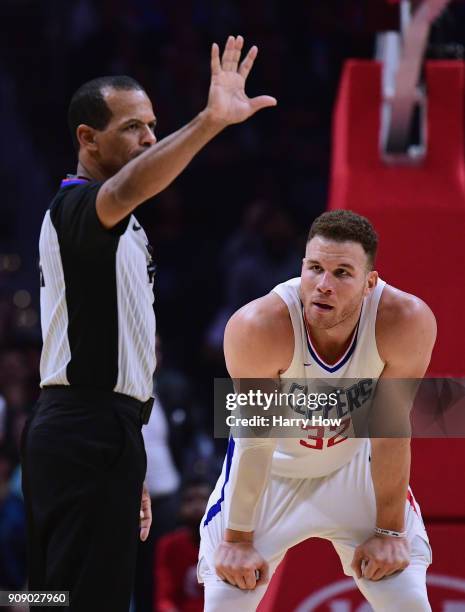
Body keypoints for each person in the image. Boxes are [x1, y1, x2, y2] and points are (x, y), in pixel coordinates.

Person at [20, 35, 277, 612]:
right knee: (77, 598)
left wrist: (129, 447)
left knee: (60, 593)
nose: (149, 138)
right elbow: (132, 184)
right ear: (87, 139)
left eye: (153, 125)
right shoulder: (77, 206)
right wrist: (210, 122)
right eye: (133, 128)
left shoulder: (124, 229)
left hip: (104, 430)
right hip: (81, 426)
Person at [198, 210, 437, 611]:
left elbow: (391, 429)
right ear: (301, 268)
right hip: (272, 472)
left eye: (343, 272)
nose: (323, 285)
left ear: (369, 282)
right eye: (315, 268)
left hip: (355, 465)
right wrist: (238, 540)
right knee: (224, 602)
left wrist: (390, 532)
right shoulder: (257, 326)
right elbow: (254, 441)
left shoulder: (405, 321)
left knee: (409, 601)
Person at [155, 478, 211, 612]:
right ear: (179, 508)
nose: (197, 506)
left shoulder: (228, 544)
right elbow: (163, 599)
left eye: (203, 499)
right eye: (190, 500)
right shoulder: (169, 545)